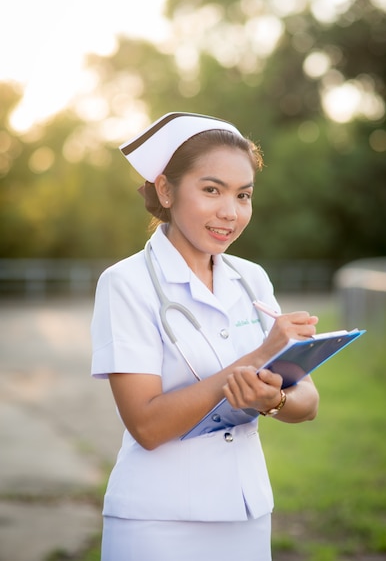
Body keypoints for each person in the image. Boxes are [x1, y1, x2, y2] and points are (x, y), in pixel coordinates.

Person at [91, 112, 320, 561]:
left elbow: (308, 403)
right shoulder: (127, 283)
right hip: (158, 524)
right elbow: (147, 426)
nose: (229, 212)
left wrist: (270, 401)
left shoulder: (252, 279)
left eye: (243, 195)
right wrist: (258, 357)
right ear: (165, 189)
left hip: (246, 516)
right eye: (211, 190)